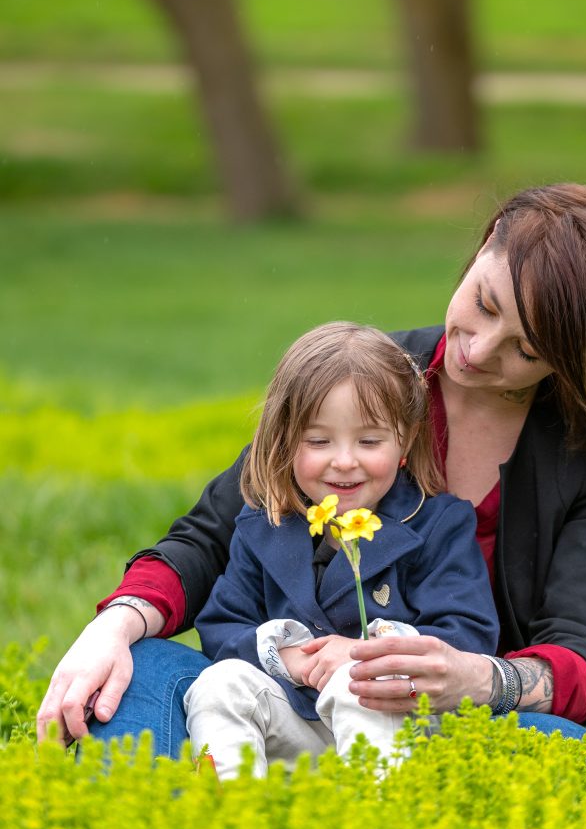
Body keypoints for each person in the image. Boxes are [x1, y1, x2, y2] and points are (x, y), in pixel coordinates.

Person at [37, 182, 586, 760]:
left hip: (455, 727)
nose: (479, 350)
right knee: (139, 668)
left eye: (527, 349)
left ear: (571, 361)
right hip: (288, 707)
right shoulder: (363, 378)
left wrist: (477, 679)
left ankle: (310, 808)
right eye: (483, 304)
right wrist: (114, 624)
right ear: (484, 245)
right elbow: (211, 536)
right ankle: (254, 805)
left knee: (564, 752)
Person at [184, 322, 499, 778]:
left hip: (401, 726)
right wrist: (284, 656)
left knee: (361, 687)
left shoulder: (438, 525)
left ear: (405, 443)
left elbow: (468, 635)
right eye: (318, 441)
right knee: (219, 684)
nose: (345, 460)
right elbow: (221, 623)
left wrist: (364, 656)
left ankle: (373, 823)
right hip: (299, 718)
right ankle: (231, 814)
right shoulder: (266, 521)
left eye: (369, 441)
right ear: (285, 442)